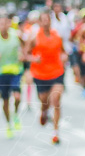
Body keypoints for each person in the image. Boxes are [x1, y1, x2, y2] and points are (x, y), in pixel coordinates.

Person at [27, 11, 67, 145]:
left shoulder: (57, 36)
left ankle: (56, 132)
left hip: (56, 72)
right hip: (40, 74)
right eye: (42, 20)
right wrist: (33, 58)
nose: (45, 22)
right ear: (39, 22)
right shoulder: (34, 37)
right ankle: (43, 112)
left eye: (47, 19)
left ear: (50, 21)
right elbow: (25, 55)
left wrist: (64, 57)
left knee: (56, 100)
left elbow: (63, 51)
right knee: (44, 101)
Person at [0, 14, 25, 138]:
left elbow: (26, 47)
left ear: (9, 24)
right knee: (5, 100)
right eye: (0, 24)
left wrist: (22, 55)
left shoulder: (17, 35)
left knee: (17, 97)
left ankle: (15, 115)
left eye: (5, 23)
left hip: (15, 71)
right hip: (1, 73)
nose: (3, 26)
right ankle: (8, 123)